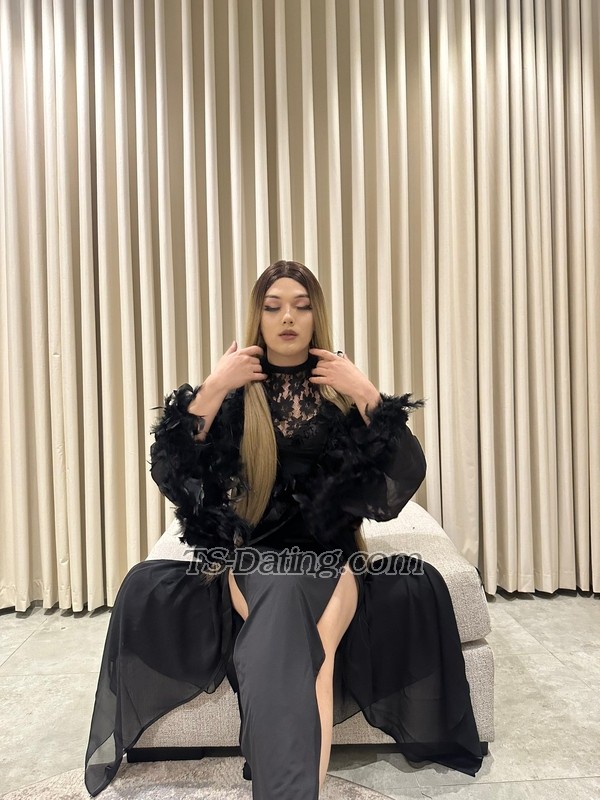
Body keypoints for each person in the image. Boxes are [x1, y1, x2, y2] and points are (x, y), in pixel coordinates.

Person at [84, 260, 484, 798]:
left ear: (317, 315)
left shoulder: (339, 398)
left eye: (301, 306)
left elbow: (402, 477)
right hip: (252, 563)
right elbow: (172, 473)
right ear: (258, 317)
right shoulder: (235, 399)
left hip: (334, 563)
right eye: (273, 307)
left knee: (302, 648)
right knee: (297, 634)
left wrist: (367, 393)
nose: (288, 318)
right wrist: (214, 386)